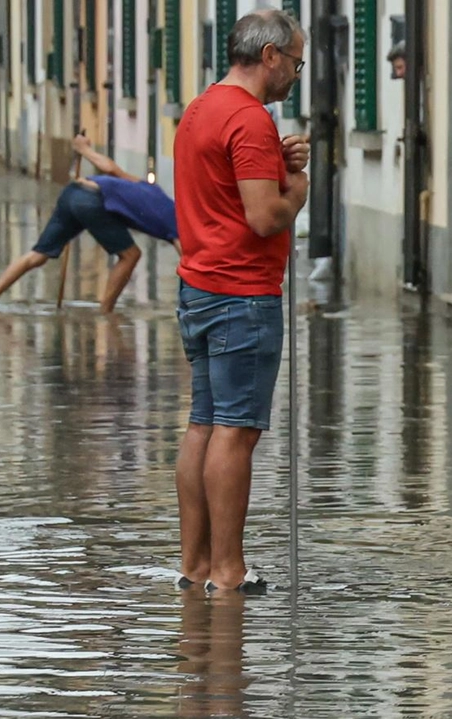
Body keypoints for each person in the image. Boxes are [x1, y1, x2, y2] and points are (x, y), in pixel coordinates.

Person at [172, 9, 310, 594]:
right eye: (296, 61)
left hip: (198, 285)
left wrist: (275, 164)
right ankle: (228, 570)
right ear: (271, 55)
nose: (296, 74)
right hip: (241, 294)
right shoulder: (250, 120)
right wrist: (298, 187)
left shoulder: (201, 108)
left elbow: (227, 191)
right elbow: (263, 216)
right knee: (236, 431)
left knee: (203, 424)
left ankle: (195, 564)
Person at [0, 133, 176, 313]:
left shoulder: (154, 191)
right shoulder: (178, 223)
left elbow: (111, 169)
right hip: (92, 201)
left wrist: (83, 148)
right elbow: (191, 262)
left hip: (74, 191)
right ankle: (105, 313)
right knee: (131, 255)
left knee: (38, 255)